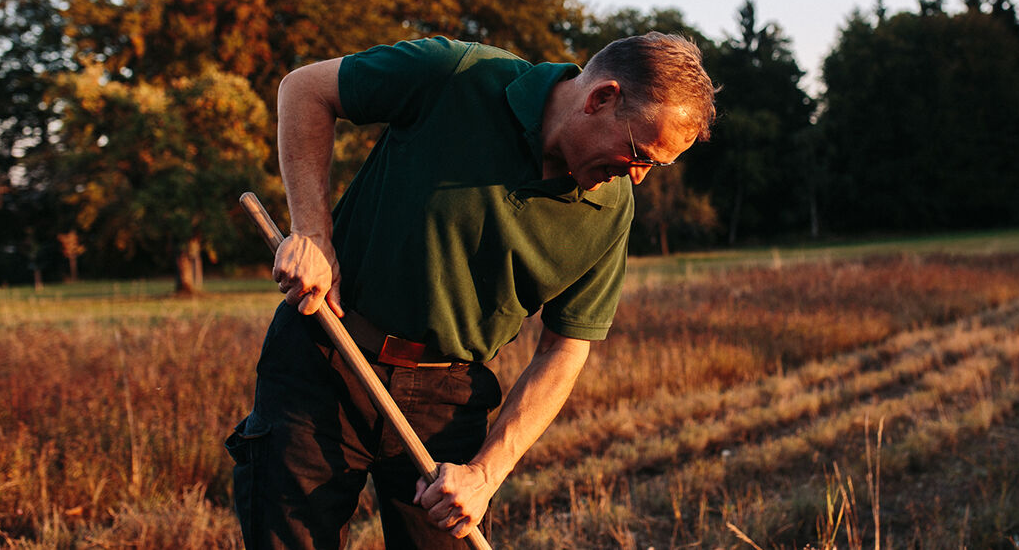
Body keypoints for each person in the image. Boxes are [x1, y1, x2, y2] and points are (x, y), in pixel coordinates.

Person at [226, 32, 716, 548]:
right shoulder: (457, 74)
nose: (637, 178)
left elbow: (565, 348)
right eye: (640, 154)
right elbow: (305, 89)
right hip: (325, 360)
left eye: (656, 167)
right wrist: (312, 233)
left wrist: (485, 474)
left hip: (448, 400)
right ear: (601, 98)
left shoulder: (612, 210)